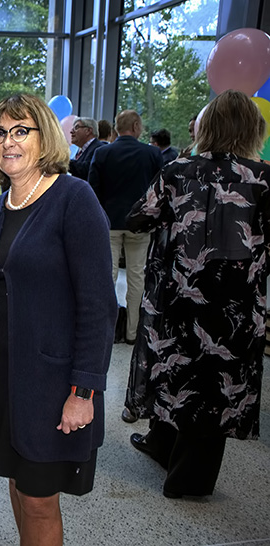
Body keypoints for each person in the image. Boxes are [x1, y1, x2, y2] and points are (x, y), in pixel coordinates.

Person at [0, 93, 116, 546]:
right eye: (0, 133)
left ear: (45, 137)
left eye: (21, 131)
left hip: (52, 384)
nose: (8, 142)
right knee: (17, 484)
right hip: (4, 377)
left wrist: (84, 390)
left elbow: (98, 304)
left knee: (39, 498)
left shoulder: (74, 198)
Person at [124, 90, 268, 499]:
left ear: (206, 127)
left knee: (177, 372)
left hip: (178, 300)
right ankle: (186, 477)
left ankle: (165, 446)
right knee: (215, 386)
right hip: (236, 305)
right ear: (253, 130)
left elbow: (138, 217)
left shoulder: (178, 169)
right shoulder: (263, 178)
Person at [88, 110, 163, 350]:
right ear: (137, 126)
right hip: (139, 225)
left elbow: (92, 191)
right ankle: (133, 332)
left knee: (107, 277)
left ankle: (107, 331)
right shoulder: (152, 154)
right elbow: (158, 191)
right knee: (136, 276)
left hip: (108, 223)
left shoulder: (102, 153)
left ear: (116, 128)